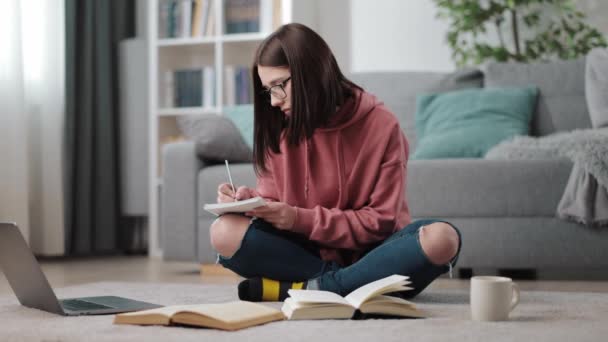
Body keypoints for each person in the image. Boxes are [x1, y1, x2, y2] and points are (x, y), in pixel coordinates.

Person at [209, 23, 462, 302]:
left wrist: (298, 218)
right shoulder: (280, 124)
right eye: (267, 90)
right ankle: (344, 286)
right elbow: (275, 201)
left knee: (442, 238)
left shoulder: (381, 124)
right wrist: (248, 202)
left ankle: (315, 289)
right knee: (224, 231)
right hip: (312, 255)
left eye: (279, 85)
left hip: (373, 254)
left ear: (312, 73)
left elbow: (381, 221)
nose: (273, 101)